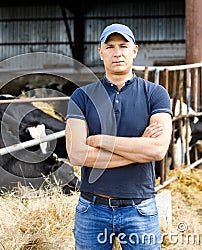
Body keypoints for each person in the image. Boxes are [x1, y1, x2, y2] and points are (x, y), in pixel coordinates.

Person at [65, 23, 172, 249]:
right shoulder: (81, 97)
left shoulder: (155, 94)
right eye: (110, 46)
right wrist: (139, 149)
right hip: (92, 209)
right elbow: (76, 155)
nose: (117, 52)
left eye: (123, 45)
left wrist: (102, 140)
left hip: (139, 209)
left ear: (134, 50)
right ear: (100, 52)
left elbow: (157, 150)